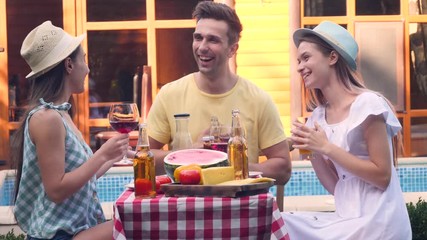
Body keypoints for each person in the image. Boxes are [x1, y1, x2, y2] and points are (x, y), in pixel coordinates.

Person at [282, 21, 411, 239]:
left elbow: (382, 176)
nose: (299, 67)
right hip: (348, 218)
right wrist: (311, 150)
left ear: (332, 57)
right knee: (280, 223)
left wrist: (326, 147)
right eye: (298, 60)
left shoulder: (368, 104)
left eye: (306, 57)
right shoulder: (318, 117)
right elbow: (337, 187)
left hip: (380, 222)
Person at [146, 1, 291, 185]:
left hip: (239, 208)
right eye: (198, 38)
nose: (202, 47)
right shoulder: (169, 94)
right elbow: (144, 158)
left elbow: (283, 169)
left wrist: (233, 167)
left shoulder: (259, 99)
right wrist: (190, 155)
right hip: (185, 207)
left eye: (213, 40)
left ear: (232, 49)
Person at [11, 21, 130, 240]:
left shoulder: (62, 114)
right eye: (84, 59)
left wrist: (114, 157)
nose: (87, 68)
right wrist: (103, 154)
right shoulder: (46, 119)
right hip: (57, 236)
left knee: (138, 218)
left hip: (74, 230)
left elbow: (82, 175)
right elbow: (56, 190)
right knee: (135, 224)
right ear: (68, 65)